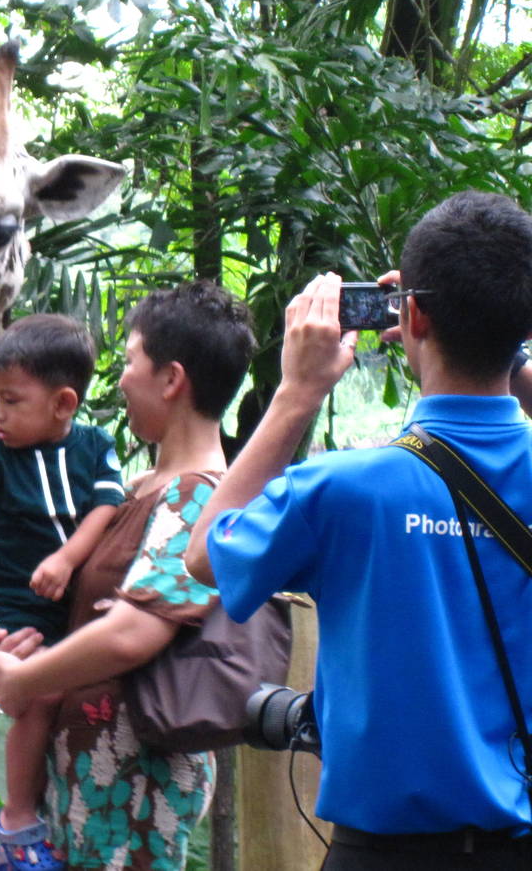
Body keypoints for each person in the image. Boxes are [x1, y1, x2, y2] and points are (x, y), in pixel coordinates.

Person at [187, 191, 532, 869]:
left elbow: (204, 553)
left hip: (381, 854)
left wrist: (297, 392)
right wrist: (502, 346)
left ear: (412, 315)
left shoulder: (340, 490)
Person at [0, 282, 255, 871]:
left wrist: (24, 682)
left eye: (131, 361)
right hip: (92, 784)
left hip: (134, 787)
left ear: (171, 379)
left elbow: (133, 634)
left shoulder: (195, 500)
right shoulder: (139, 491)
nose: (122, 379)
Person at [0, 313, 125, 870]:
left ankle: (50, 809)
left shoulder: (96, 445)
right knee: (35, 699)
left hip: (72, 605)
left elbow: (108, 505)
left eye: (10, 400)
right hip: (15, 600)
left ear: (63, 404)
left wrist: (67, 559)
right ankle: (18, 822)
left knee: (67, 698)